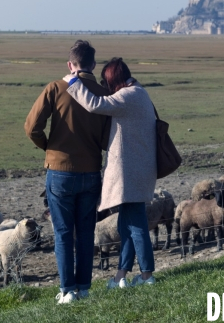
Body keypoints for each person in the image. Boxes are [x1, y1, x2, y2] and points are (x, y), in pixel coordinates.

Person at [24, 40, 110, 304]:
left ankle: (67, 290)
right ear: (93, 65)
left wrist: (49, 148)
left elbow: (31, 128)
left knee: (63, 233)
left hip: (59, 171)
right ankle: (83, 287)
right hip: (91, 172)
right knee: (85, 232)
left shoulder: (56, 88)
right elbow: (107, 139)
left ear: (70, 65)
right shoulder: (102, 92)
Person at [64, 57, 157, 289]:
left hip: (130, 174)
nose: (106, 87)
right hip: (137, 171)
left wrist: (73, 84)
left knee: (136, 225)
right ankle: (121, 276)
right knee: (127, 224)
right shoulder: (139, 92)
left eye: (107, 82)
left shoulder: (128, 95)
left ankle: (147, 277)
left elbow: (96, 104)